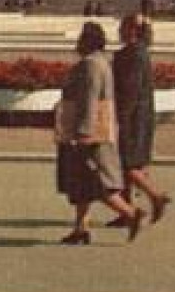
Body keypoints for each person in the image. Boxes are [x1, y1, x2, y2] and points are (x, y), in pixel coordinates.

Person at [55, 21, 145, 245]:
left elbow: (90, 99)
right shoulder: (100, 62)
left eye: (82, 37)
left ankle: (131, 214)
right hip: (95, 133)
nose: (78, 42)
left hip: (90, 135)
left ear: (88, 41)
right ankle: (80, 229)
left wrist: (83, 133)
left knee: (96, 183)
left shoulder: (91, 65)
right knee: (83, 185)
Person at [111, 15, 171, 226]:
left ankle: (156, 196)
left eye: (123, 27)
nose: (119, 31)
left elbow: (130, 90)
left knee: (127, 163)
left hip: (133, 118)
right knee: (131, 162)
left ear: (132, 30)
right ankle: (128, 209)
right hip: (141, 116)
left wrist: (120, 117)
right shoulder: (138, 52)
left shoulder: (133, 54)